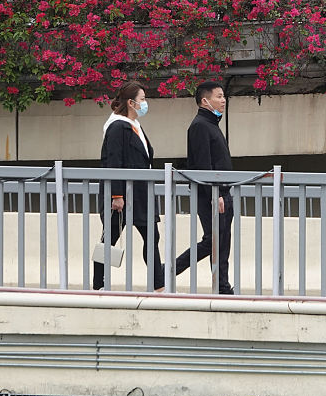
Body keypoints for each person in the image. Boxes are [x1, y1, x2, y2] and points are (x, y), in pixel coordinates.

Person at [93, 81, 164, 292]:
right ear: (131, 103)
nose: (145, 103)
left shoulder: (135, 126)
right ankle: (99, 285)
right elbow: (113, 161)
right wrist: (116, 195)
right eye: (142, 99)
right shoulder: (117, 126)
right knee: (110, 239)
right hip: (123, 194)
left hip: (141, 193)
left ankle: (159, 286)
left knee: (152, 237)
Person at [173, 80, 235, 294]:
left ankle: (223, 286)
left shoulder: (211, 124)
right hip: (212, 194)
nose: (223, 100)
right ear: (204, 100)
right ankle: (167, 271)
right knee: (213, 240)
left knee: (222, 241)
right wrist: (214, 193)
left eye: (223, 96)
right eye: (219, 96)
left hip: (222, 191)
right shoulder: (200, 125)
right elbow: (202, 165)